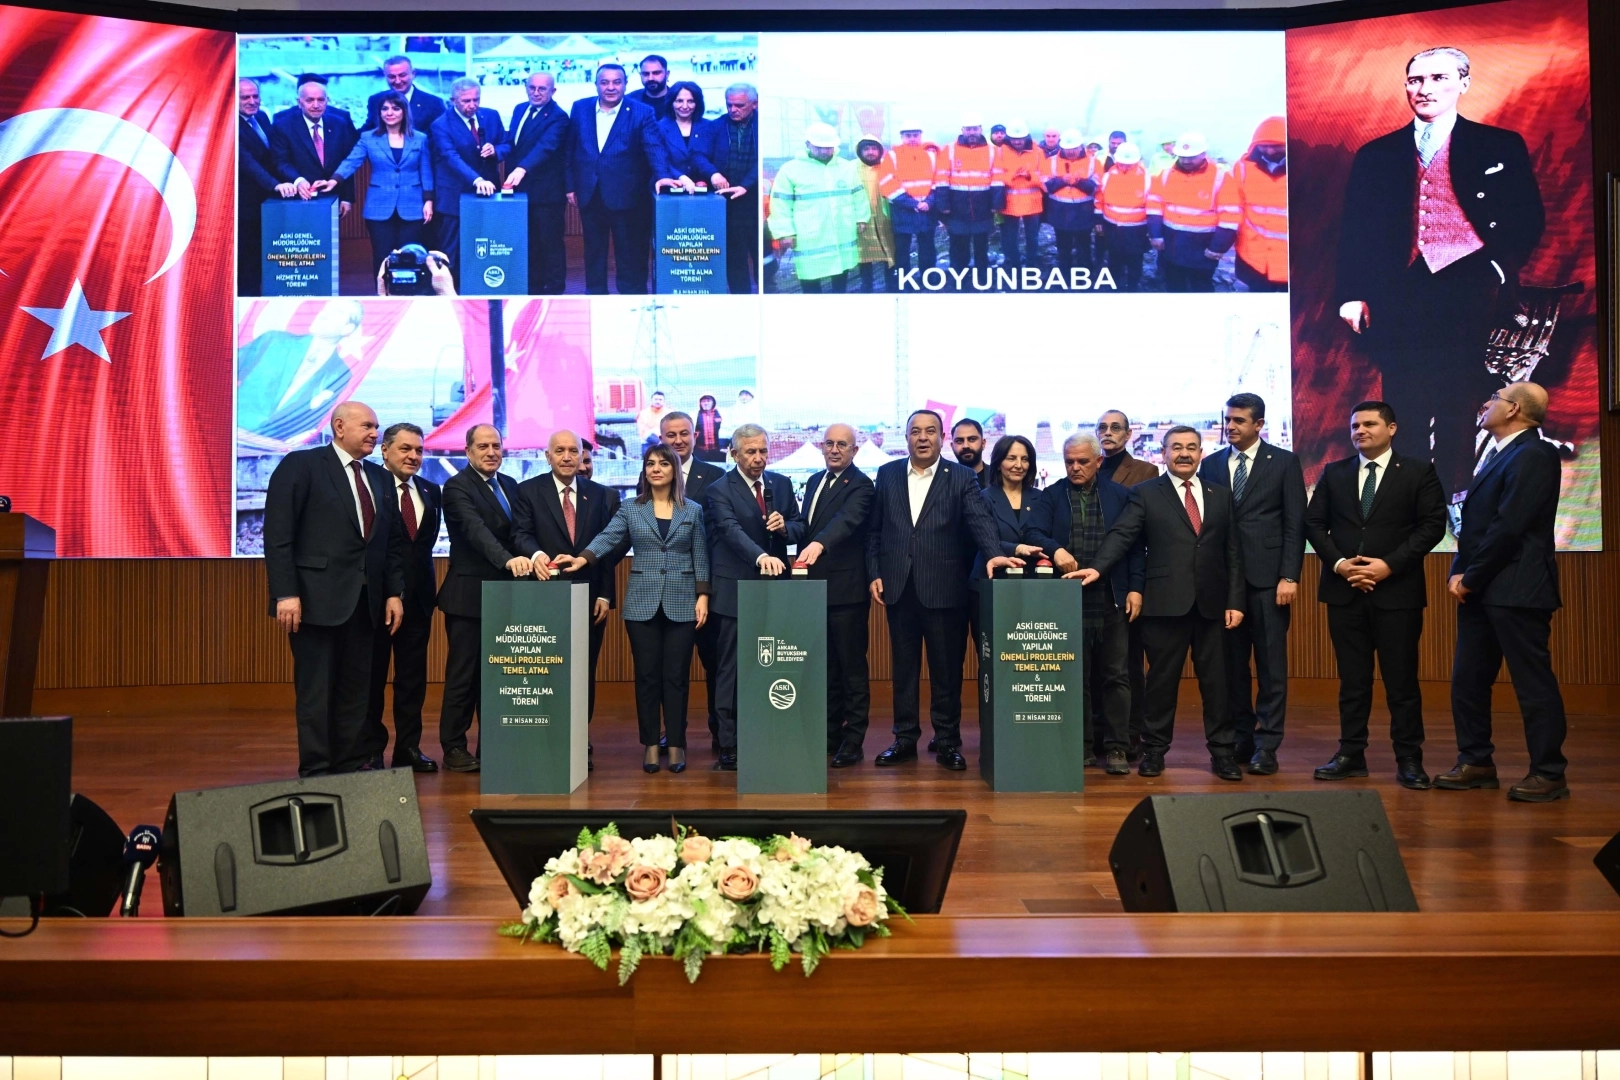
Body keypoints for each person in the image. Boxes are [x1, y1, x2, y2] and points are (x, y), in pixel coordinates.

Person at [1336, 47, 1545, 501]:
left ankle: (1455, 493)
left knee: (1459, 392)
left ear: (1463, 83)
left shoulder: (1499, 144)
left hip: (1468, 281)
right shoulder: (1376, 154)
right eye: (1415, 80)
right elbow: (1354, 229)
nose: (1424, 89)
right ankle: (1412, 496)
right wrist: (1352, 293)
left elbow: (1527, 216)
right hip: (1397, 284)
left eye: (1438, 78)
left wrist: (1496, 267)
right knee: (1403, 394)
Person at [1071, 426, 1245, 779]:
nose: (1184, 453)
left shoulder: (1220, 494)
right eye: (1176, 447)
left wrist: (1236, 601)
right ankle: (1154, 752)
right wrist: (1098, 568)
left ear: (1201, 453)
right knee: (1161, 684)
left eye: (1192, 447)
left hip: (1213, 606)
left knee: (1217, 684)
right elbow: (1123, 535)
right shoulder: (1146, 493)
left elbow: (1233, 552)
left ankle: (1223, 753)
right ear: (1163, 453)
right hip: (1164, 604)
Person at [866, 409, 1021, 771]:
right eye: (915, 431)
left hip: (944, 587)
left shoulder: (961, 477)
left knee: (946, 670)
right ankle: (904, 739)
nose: (923, 437)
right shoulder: (887, 474)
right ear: (906, 437)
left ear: (941, 438)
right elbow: (874, 531)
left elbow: (979, 520)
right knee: (904, 670)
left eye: (930, 431)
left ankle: (948, 741)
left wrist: (994, 554)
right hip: (898, 587)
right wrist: (874, 572)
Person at [1305, 400, 1448, 789]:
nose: (1360, 431)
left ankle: (1409, 759)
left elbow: (1432, 526)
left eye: (1369, 424)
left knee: (1402, 682)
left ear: (1392, 429)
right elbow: (1313, 523)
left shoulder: (1418, 471)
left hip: (1397, 592)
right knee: (1353, 681)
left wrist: (1388, 566)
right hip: (1344, 590)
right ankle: (1351, 755)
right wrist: (1340, 565)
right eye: (1355, 426)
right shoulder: (1335, 472)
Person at [263, 401, 406, 777]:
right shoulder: (301, 465)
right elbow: (278, 536)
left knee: (357, 691)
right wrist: (285, 593)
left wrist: (393, 593)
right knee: (317, 692)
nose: (375, 433)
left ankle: (349, 767)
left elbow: (389, 543)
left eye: (376, 426)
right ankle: (317, 771)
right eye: (367, 426)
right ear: (339, 427)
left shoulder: (378, 477)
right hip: (315, 602)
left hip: (367, 604)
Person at [1440, 382, 1569, 801]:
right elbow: (1475, 525)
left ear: (1513, 409)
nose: (1486, 402)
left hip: (1518, 587)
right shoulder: (1498, 453)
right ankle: (1476, 762)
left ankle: (1549, 773)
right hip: (1482, 587)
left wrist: (1470, 576)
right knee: (1468, 680)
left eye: (1495, 397)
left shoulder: (1535, 453)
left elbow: (1509, 526)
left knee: (1532, 684)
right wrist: (1460, 571)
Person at [557, 444, 710, 774]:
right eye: (650, 463)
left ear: (674, 470)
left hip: (683, 601)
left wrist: (703, 595)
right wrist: (582, 558)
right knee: (647, 676)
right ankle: (651, 744)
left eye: (663, 464)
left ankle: (677, 743)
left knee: (676, 677)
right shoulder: (631, 508)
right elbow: (607, 538)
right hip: (642, 604)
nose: (656, 469)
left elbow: (700, 554)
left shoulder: (693, 510)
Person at [1197, 392, 1306, 774]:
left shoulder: (1284, 462)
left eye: (1239, 420)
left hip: (1269, 581)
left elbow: (1295, 523)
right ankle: (1241, 738)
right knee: (1232, 668)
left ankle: (1267, 745)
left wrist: (1289, 575)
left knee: (1271, 666)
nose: (1230, 426)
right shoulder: (1211, 464)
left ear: (1258, 424)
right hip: (1225, 584)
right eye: (1228, 419)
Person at [1028, 433, 1143, 775]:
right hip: (1065, 599)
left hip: (1112, 597)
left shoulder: (1120, 495)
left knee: (1116, 676)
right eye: (1069, 462)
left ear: (1098, 461)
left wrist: (1135, 588)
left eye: (1082, 461)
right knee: (1073, 676)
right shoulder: (1051, 495)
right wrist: (1055, 550)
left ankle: (1117, 747)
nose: (1075, 467)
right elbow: (1032, 533)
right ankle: (1081, 746)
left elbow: (1134, 546)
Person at [703, 424, 807, 771]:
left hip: (775, 590)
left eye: (763, 451)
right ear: (734, 454)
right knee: (731, 669)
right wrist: (761, 557)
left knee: (772, 664)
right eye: (751, 452)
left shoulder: (781, 484)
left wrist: (785, 528)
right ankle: (728, 743)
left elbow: (800, 526)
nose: (759, 458)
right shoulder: (719, 489)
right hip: (734, 589)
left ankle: (767, 733)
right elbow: (729, 531)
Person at [436, 424, 534, 773]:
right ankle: (453, 747)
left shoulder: (510, 485)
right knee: (464, 676)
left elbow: (521, 532)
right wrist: (508, 560)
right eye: (483, 446)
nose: (491, 452)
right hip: (469, 597)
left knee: (498, 677)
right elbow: (476, 532)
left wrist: (536, 556)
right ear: (468, 451)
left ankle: (491, 745)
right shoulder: (456, 486)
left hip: (506, 595)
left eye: (496, 446)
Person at [512, 429, 623, 730]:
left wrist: (605, 595)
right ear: (547, 456)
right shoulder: (527, 491)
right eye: (559, 451)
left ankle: (578, 736)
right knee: (545, 670)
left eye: (573, 451)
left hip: (589, 599)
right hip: (542, 595)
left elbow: (608, 549)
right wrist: (537, 556)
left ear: (582, 456)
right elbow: (520, 534)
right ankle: (546, 734)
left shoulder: (602, 495)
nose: (566, 457)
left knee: (583, 669)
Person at [799, 424, 876, 767]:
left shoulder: (861, 484)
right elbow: (807, 527)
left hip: (847, 592)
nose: (834, 449)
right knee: (826, 668)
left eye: (842, 444)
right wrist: (785, 528)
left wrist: (819, 544)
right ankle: (829, 735)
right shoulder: (814, 481)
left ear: (855, 451)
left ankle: (854, 740)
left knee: (851, 669)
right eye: (829, 443)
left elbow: (845, 521)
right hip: (815, 590)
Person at [365, 422, 440, 773]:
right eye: (405, 448)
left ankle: (408, 748)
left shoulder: (430, 490)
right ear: (385, 450)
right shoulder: (369, 485)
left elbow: (421, 547)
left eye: (419, 450)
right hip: (377, 600)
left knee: (412, 680)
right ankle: (370, 750)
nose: (413, 456)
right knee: (372, 678)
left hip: (420, 601)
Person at [565, 63, 669, 295]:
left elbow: (654, 147)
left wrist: (662, 175)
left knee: (629, 253)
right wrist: (570, 185)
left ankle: (632, 299)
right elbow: (570, 149)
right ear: (596, 84)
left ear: (625, 84)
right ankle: (595, 295)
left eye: (616, 82)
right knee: (593, 251)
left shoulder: (642, 111)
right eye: (604, 82)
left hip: (628, 195)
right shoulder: (580, 108)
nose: (610, 87)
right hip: (589, 192)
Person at [660, 411, 727, 747]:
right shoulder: (652, 476)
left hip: (708, 588)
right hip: (667, 588)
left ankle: (722, 733)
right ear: (661, 439)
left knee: (716, 665)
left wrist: (707, 588)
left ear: (695, 436)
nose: (678, 441)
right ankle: (674, 735)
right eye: (670, 435)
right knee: (671, 670)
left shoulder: (716, 476)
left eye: (684, 433)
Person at [1095, 409, 1159, 756]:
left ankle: (1132, 732)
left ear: (1128, 434)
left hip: (1126, 573)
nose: (1108, 433)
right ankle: (1101, 730)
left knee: (1129, 661)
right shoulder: (1089, 466)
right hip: (1094, 576)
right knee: (1100, 662)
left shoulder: (1144, 471)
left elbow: (1133, 529)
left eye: (1115, 427)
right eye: (1102, 427)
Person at [318, 90, 434, 266]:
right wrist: (334, 180)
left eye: (395, 108)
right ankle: (382, 285)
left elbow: (426, 171)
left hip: (413, 205)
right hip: (379, 206)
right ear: (379, 113)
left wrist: (428, 201)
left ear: (404, 111)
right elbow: (352, 161)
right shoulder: (368, 138)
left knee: (409, 257)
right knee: (382, 257)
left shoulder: (420, 138)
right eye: (385, 109)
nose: (389, 113)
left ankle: (406, 286)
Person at [236, 300, 363, 443]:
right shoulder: (274, 341)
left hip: (275, 444)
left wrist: (310, 432)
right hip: (234, 430)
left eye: (335, 313)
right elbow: (225, 371)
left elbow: (319, 417)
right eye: (325, 309)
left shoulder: (340, 373)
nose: (323, 315)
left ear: (347, 329)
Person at [768, 123, 869, 294]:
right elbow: (780, 204)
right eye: (819, 147)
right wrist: (785, 233)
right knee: (810, 280)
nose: (824, 151)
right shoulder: (790, 170)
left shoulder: (846, 167)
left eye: (828, 147)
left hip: (842, 234)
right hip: (809, 238)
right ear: (807, 144)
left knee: (841, 275)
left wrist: (861, 218)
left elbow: (858, 195)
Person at [429, 78, 508, 285]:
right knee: (451, 250)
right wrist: (477, 180)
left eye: (476, 100)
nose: (472, 105)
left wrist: (496, 151)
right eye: (466, 101)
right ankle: (449, 291)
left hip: (488, 195)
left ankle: (481, 289)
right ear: (453, 100)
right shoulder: (441, 124)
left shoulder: (491, 116)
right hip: (454, 195)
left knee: (485, 245)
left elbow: (506, 143)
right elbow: (450, 157)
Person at [504, 72, 569, 295]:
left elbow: (546, 147)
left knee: (550, 244)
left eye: (542, 89)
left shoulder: (559, 117)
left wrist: (522, 169)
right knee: (528, 242)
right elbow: (513, 144)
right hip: (520, 191)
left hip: (547, 193)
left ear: (553, 91)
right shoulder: (519, 109)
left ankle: (555, 290)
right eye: (532, 87)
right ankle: (533, 288)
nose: (536, 92)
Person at [1147, 132, 1236, 292]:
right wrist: (1156, 235)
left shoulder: (1220, 178)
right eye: (1182, 157)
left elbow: (1230, 215)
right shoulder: (1166, 175)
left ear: (1203, 153)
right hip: (1171, 244)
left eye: (1191, 157)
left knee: (1201, 286)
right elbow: (1154, 205)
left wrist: (1217, 247)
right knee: (1174, 284)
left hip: (1203, 248)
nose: (1186, 161)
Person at [694, 83, 760, 294]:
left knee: (762, 254)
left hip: (756, 201)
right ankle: (741, 298)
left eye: (739, 105)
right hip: (726, 203)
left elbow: (763, 162)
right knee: (735, 256)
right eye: (729, 105)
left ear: (755, 104)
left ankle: (767, 297)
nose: (733, 110)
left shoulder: (764, 127)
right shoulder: (715, 126)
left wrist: (746, 185)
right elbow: (698, 155)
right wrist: (713, 173)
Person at [270, 78, 359, 221]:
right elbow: (281, 162)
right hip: (298, 199)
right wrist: (298, 181)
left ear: (327, 101)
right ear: (299, 102)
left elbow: (346, 162)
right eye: (310, 100)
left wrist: (347, 198)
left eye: (321, 100)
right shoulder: (283, 127)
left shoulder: (339, 124)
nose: (316, 105)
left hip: (332, 197)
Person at [933, 114, 997, 282]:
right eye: (968, 129)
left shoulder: (992, 150)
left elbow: (997, 177)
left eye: (975, 129)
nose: (972, 132)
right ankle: (959, 277)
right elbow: (942, 177)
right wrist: (943, 205)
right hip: (957, 207)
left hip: (983, 207)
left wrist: (996, 203)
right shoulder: (949, 149)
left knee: (981, 245)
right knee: (958, 245)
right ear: (962, 130)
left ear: (981, 129)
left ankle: (982, 277)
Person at [1227, 117, 1288, 292]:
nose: (1270, 151)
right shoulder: (1242, 168)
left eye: (1277, 146)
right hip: (1253, 257)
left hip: (1290, 261)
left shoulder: (1307, 167)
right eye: (1264, 145)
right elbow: (1234, 207)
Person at [878, 120, 939, 290]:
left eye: (915, 135)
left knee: (927, 248)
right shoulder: (892, 156)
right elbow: (887, 183)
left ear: (921, 136)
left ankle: (929, 279)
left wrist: (929, 201)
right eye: (908, 135)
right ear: (902, 137)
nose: (912, 139)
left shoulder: (931, 156)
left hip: (926, 211)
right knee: (902, 250)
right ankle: (904, 282)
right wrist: (913, 203)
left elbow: (937, 181)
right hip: (903, 212)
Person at [238, 79, 278, 296]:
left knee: (261, 258)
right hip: (244, 206)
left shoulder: (261, 117)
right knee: (247, 261)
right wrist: (276, 185)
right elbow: (248, 163)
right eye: (245, 97)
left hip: (267, 203)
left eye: (255, 96)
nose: (252, 101)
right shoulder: (231, 125)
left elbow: (273, 157)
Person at [1043, 129, 1099, 277]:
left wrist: (1078, 182)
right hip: (1060, 211)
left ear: (1081, 146)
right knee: (1063, 246)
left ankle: (1084, 275)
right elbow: (1045, 185)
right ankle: (1065, 274)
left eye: (1074, 148)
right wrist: (1062, 180)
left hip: (1084, 211)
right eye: (1068, 149)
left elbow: (1096, 187)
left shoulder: (1093, 162)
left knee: (1084, 245)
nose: (1071, 152)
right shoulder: (1051, 161)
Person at [1096, 143, 1149, 291]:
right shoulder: (1108, 176)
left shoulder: (1147, 179)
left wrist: (1152, 230)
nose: (1124, 166)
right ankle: (1114, 287)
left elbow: (1153, 205)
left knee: (1135, 261)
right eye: (1122, 163)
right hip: (1112, 227)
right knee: (1114, 259)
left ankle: (1132, 287)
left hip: (1136, 229)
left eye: (1129, 164)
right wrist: (1099, 220)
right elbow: (1099, 199)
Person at [994, 123, 1046, 271]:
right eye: (1014, 139)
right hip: (1009, 202)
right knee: (1010, 237)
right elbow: (995, 175)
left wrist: (1029, 175)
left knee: (1032, 237)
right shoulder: (1000, 152)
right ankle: (1014, 265)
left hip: (1032, 202)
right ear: (1009, 138)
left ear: (1026, 137)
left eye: (1020, 139)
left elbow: (1045, 176)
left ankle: (1031, 265)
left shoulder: (1037, 152)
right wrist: (1013, 175)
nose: (1017, 142)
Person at [854, 135, 895, 292]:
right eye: (866, 149)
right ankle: (867, 286)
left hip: (885, 217)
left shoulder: (887, 166)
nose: (870, 152)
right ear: (860, 151)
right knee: (864, 254)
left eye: (874, 149)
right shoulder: (851, 169)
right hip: (861, 218)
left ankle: (891, 285)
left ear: (880, 151)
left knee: (890, 250)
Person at [655, 81, 713, 192]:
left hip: (704, 190)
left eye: (691, 101)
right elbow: (660, 160)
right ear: (671, 102)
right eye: (679, 101)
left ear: (697, 103)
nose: (685, 106)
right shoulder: (658, 128)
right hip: (671, 188)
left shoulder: (709, 126)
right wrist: (681, 177)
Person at [365, 55, 445, 134]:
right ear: (385, 76)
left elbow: (442, 135)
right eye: (392, 77)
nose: (397, 81)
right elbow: (368, 130)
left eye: (402, 75)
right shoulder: (375, 100)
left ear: (413, 74)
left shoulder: (434, 103)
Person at [627, 54, 673, 122]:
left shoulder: (679, 100)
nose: (650, 78)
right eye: (646, 74)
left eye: (656, 73)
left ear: (667, 74)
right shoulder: (629, 101)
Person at [951, 418, 990, 489]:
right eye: (959, 441)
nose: (965, 446)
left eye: (972, 439)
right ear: (952, 446)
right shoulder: (944, 479)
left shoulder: (998, 477)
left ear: (983, 443)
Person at [694, 394, 724, 460]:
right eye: (703, 401)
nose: (706, 403)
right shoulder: (694, 414)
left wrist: (723, 446)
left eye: (708, 401)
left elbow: (724, 430)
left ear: (713, 402)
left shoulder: (721, 413)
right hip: (700, 451)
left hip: (717, 450)